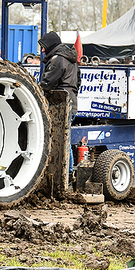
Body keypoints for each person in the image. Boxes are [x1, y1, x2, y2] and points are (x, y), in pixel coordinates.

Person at [38, 31, 81, 177]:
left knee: (61, 139)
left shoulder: (57, 60)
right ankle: (67, 173)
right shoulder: (71, 59)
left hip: (61, 104)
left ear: (51, 45)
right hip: (72, 102)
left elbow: (47, 83)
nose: (43, 50)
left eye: (44, 47)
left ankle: (65, 174)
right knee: (65, 137)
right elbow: (78, 82)